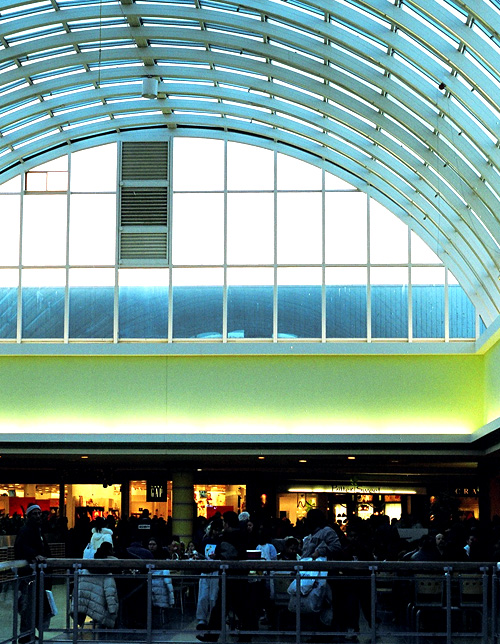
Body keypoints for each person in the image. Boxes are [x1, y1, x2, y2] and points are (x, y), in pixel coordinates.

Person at [14, 504, 53, 644]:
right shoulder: (25, 531)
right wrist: (34, 555)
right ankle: (25, 635)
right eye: (35, 514)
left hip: (36, 575)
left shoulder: (38, 531)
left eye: (39, 513)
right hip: (29, 577)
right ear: (29, 516)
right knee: (27, 606)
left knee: (34, 605)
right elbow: (20, 547)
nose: (38, 516)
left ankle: (29, 633)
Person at [76, 542, 119, 629]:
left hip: (87, 602)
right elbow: (110, 594)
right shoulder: (112, 565)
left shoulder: (88, 568)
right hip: (102, 602)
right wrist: (112, 611)